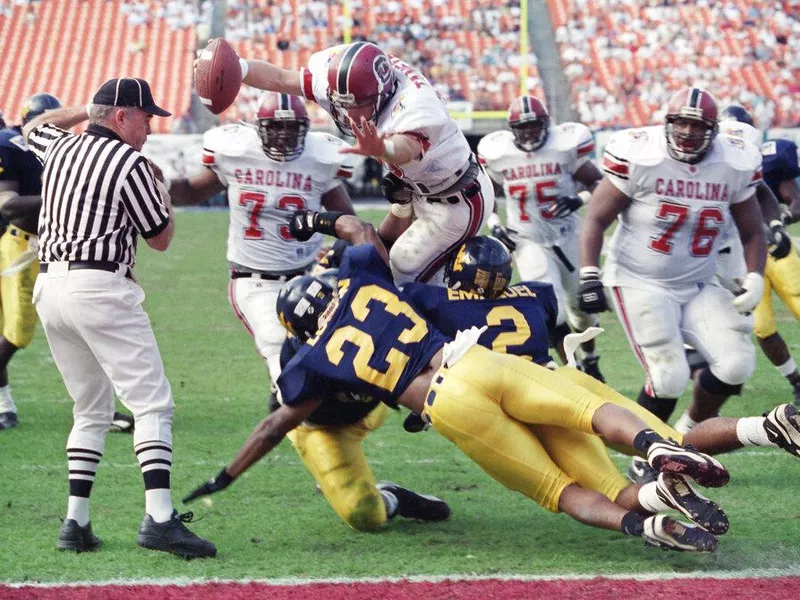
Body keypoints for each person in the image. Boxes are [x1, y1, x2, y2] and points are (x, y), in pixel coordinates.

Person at [183, 210, 733, 553]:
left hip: (444, 403)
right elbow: (360, 229)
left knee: (557, 490)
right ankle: (655, 447)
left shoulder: (309, 362)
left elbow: (275, 425)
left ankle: (646, 528)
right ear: (329, 285)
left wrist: (226, 475)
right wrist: (321, 222)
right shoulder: (360, 277)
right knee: (584, 412)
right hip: (469, 360)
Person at [22, 78, 215, 558]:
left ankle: (76, 523)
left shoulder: (62, 147)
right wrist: (163, 192)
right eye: (145, 116)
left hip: (51, 288)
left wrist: (84, 110)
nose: (150, 126)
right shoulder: (131, 165)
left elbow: (33, 128)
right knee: (152, 406)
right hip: (100, 287)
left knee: (90, 410)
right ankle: (160, 518)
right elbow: (161, 238)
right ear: (122, 115)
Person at [578, 88, 767, 474]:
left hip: (698, 281)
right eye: (679, 122)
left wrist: (755, 276)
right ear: (666, 123)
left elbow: (753, 230)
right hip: (638, 279)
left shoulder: (733, 162)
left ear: (713, 130)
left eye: (696, 125)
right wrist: (588, 273)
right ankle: (641, 457)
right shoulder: (641, 155)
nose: (686, 131)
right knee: (668, 376)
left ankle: (685, 437)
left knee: (737, 363)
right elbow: (596, 217)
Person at [185, 266, 452, 531]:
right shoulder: (309, 369)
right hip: (327, 428)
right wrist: (225, 477)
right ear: (306, 340)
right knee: (365, 514)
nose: (335, 326)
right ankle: (392, 498)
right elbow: (272, 428)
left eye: (336, 312)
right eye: (324, 327)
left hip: (370, 403)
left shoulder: (359, 302)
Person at [225, 40, 494, 285]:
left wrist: (383, 148)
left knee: (401, 274)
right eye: (341, 103)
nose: (348, 112)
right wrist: (239, 66)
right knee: (378, 252)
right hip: (417, 190)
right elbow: (281, 78)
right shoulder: (341, 80)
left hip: (457, 199)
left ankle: (440, 333)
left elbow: (407, 147)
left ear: (382, 93)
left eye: (357, 104)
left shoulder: (415, 104)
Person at [168, 91, 356, 398]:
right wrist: (160, 183)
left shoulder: (320, 158)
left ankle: (292, 410)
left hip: (311, 276)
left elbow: (348, 222)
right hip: (255, 280)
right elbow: (191, 192)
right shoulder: (237, 152)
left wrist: (337, 252)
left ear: (305, 129)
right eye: (277, 127)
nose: (284, 135)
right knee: (279, 349)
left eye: (292, 128)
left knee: (333, 352)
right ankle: (295, 411)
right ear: (260, 128)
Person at [0, 93, 135, 433]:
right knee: (17, 333)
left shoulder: (68, 149)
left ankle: (99, 409)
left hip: (56, 246)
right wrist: (61, 195)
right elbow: (7, 204)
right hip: (21, 246)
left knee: (85, 325)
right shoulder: (12, 145)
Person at [477, 95, 605, 381]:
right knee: (552, 309)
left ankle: (590, 357)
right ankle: (577, 371)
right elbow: (484, 192)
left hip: (568, 235)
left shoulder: (564, 148)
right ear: (512, 130)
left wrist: (578, 199)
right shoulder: (500, 155)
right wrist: (495, 224)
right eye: (522, 128)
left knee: (580, 311)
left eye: (534, 126)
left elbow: (599, 183)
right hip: (527, 240)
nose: (529, 132)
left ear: (546, 124)